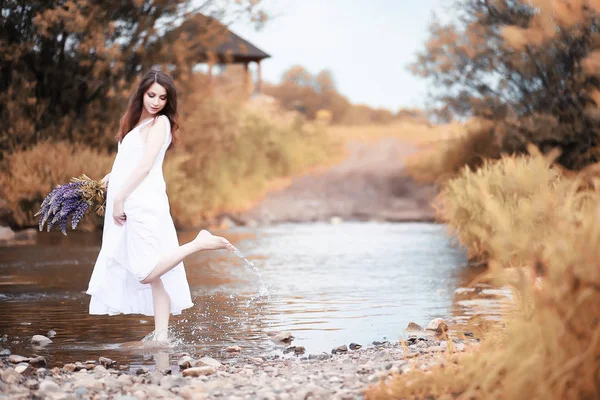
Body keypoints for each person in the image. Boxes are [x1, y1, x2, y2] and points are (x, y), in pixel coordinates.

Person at [86, 69, 235, 342]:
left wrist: (119, 199)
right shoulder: (134, 124)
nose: (156, 102)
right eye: (151, 95)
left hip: (142, 202)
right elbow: (129, 162)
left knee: (145, 272)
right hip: (133, 197)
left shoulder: (161, 124)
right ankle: (162, 338)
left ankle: (198, 243)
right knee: (157, 276)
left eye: (162, 97)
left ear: (169, 101)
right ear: (141, 94)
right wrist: (109, 179)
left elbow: (145, 166)